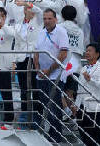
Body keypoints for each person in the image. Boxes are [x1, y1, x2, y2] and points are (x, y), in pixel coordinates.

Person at [2, 0, 43, 123]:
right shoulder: (19, 24)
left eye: (30, 8)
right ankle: (25, 116)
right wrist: (1, 23)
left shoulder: (38, 21)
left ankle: (37, 116)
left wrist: (26, 3)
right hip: (21, 59)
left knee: (35, 87)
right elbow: (15, 41)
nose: (30, 11)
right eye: (27, 9)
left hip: (33, 58)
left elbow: (39, 11)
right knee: (23, 88)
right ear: (24, 11)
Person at [33, 8, 69, 143]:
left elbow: (63, 54)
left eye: (49, 18)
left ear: (55, 19)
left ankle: (56, 135)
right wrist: (37, 68)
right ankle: (50, 131)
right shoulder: (41, 32)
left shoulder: (61, 32)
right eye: (45, 19)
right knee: (44, 104)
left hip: (55, 76)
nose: (47, 21)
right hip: (41, 76)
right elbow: (36, 51)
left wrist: (49, 70)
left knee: (54, 105)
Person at [73, 43, 100, 146]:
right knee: (84, 136)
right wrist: (76, 105)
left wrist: (90, 80)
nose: (87, 53)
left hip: (94, 108)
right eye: (86, 50)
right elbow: (79, 89)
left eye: (90, 51)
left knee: (94, 138)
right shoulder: (83, 68)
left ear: (97, 54)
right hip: (82, 108)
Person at [59, 5, 85, 120]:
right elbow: (81, 49)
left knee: (58, 89)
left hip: (63, 62)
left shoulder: (59, 27)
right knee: (70, 92)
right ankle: (73, 116)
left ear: (62, 15)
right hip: (75, 64)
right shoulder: (79, 31)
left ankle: (66, 111)